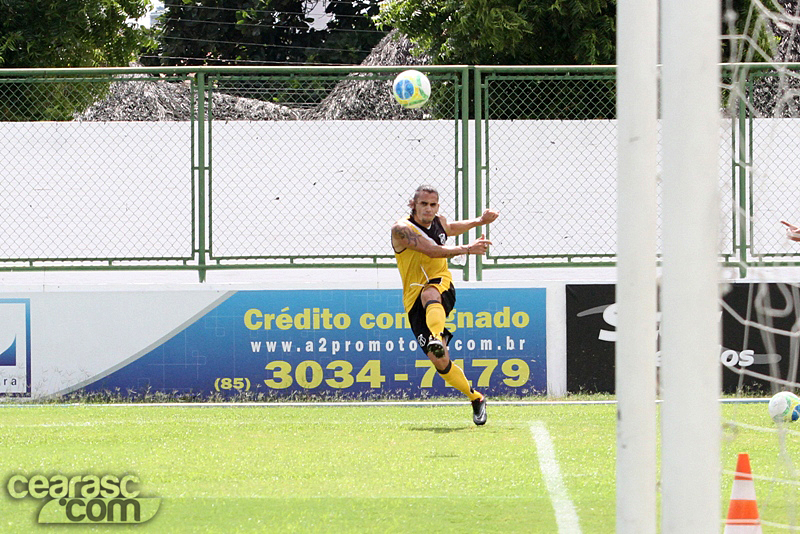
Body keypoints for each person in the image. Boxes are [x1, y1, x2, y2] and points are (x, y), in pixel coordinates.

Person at [391, 184, 499, 425]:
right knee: (440, 361)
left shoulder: (438, 220)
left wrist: (479, 221)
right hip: (413, 299)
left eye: (433, 204)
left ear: (437, 206)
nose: (429, 209)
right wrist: (468, 249)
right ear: (413, 205)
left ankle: (436, 336)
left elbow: (449, 228)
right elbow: (432, 250)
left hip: (441, 286)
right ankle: (476, 398)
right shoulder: (401, 230)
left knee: (430, 293)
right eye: (423, 204)